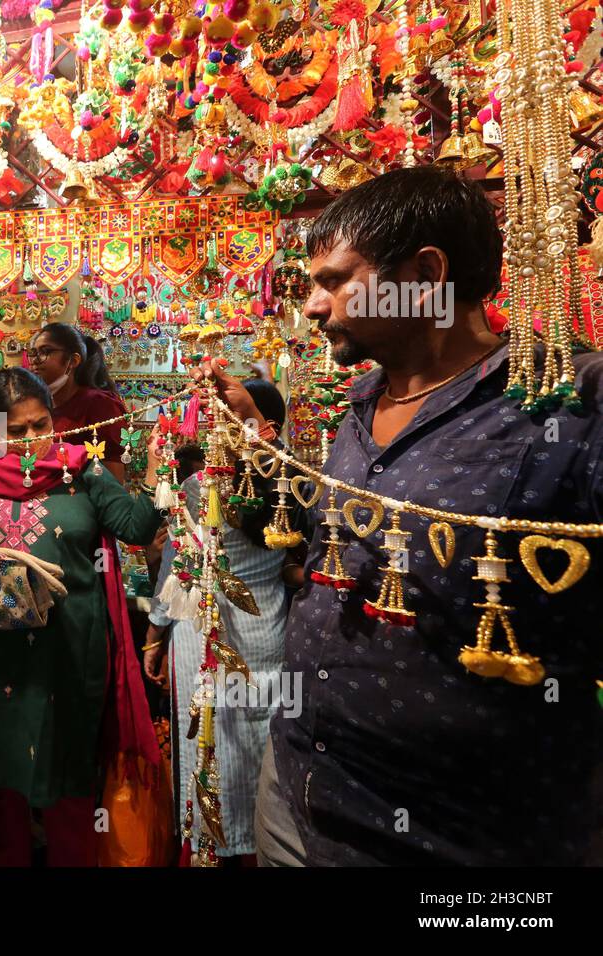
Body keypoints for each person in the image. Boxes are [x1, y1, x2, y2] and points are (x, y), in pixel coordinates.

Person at [199, 166, 603, 866]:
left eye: (334, 281)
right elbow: (338, 542)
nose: (315, 307)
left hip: (467, 834)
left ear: (424, 272)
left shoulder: (565, 401)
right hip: (298, 791)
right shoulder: (360, 407)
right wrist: (255, 443)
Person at [0, 367, 164, 866]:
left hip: (67, 658)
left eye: (41, 425)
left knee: (68, 785)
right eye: (16, 430)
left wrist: (155, 472)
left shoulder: (82, 470)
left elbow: (135, 527)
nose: (32, 441)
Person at [143, 380, 292, 865]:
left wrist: (154, 635)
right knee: (245, 742)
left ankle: (215, 846)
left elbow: (175, 570)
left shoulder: (201, 484)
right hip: (256, 628)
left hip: (211, 631)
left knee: (223, 742)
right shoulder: (290, 481)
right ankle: (253, 845)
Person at [27, 322, 129, 480]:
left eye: (45, 352)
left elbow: (114, 477)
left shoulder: (99, 404)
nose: (35, 360)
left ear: (73, 361)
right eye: (33, 353)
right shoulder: (39, 404)